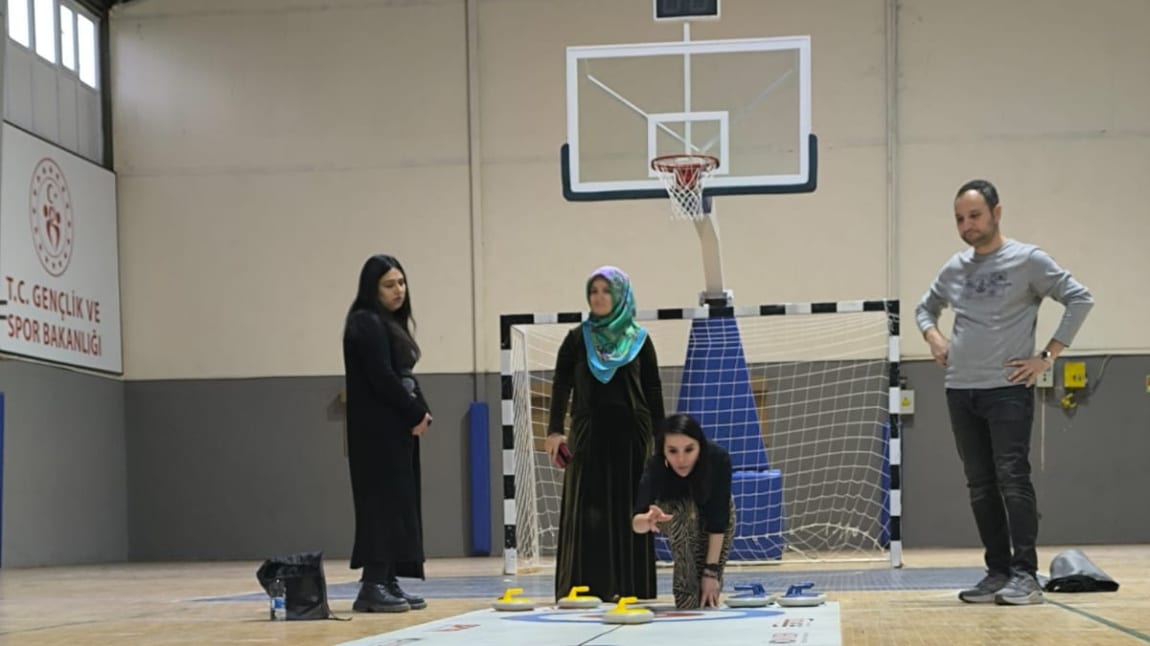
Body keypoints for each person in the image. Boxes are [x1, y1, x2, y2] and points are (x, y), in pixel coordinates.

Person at [915, 179, 1094, 606]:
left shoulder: (1028, 260)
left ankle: (1025, 574)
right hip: (961, 391)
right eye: (959, 218)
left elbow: (1079, 298)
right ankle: (996, 572)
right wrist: (933, 337)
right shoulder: (955, 267)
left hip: (1007, 391)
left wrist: (1047, 356)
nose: (966, 225)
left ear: (996, 213)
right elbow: (925, 307)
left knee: (1013, 478)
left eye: (974, 215)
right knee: (980, 484)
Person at [545, 266, 664, 603]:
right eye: (593, 291)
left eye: (605, 290)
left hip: (632, 438)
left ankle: (630, 587)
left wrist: (663, 439)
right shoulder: (575, 339)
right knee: (588, 509)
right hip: (588, 434)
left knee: (631, 507)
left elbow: (653, 390)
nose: (598, 297)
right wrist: (555, 431)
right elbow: (561, 386)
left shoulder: (640, 340)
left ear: (620, 295)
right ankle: (585, 586)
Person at [342, 254, 433, 613]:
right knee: (381, 505)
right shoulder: (364, 323)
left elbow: (406, 375)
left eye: (401, 282)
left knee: (399, 505)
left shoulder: (390, 324)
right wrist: (413, 411)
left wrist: (422, 412)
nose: (398, 290)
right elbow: (382, 377)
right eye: (389, 284)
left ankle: (388, 579)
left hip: (397, 431)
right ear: (372, 288)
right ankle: (372, 584)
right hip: (376, 436)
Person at [632, 413, 735, 609]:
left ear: (700, 447)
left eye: (689, 450)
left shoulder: (718, 459)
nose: (681, 459)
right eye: (672, 451)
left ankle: (705, 602)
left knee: (707, 589)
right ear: (663, 450)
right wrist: (646, 520)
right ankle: (686, 598)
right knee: (683, 513)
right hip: (672, 515)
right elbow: (636, 521)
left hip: (710, 520)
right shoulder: (656, 466)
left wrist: (711, 573)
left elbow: (720, 518)